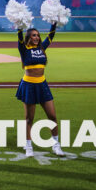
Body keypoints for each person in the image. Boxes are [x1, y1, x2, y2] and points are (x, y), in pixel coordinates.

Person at [16, 24, 65, 158]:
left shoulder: (42, 47)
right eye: (34, 35)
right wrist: (19, 26)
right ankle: (28, 146)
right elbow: (19, 37)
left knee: (52, 116)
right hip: (29, 85)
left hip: (42, 84)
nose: (37, 37)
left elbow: (51, 36)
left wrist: (54, 22)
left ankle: (56, 145)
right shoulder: (24, 48)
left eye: (37, 35)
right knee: (29, 119)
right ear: (28, 37)